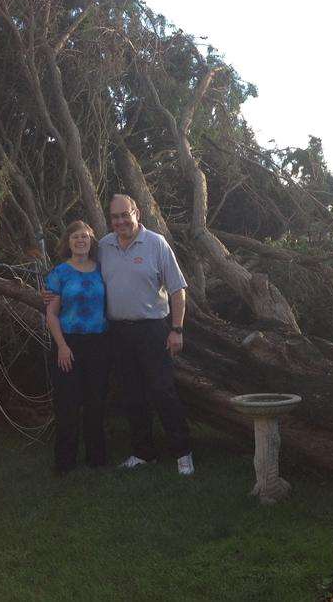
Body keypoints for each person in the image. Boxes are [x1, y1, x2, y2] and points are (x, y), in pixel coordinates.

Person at [100, 194, 194, 476]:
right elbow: (82, 272)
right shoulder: (104, 246)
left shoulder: (156, 244)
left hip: (153, 330)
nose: (120, 222)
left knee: (163, 391)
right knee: (132, 395)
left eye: (124, 215)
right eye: (114, 217)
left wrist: (176, 329)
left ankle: (183, 453)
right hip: (118, 332)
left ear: (136, 213)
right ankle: (144, 453)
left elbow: (177, 289)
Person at [44, 220, 111, 476]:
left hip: (99, 343)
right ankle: (65, 462)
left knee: (96, 402)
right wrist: (61, 346)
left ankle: (97, 458)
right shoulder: (59, 273)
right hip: (68, 344)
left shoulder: (102, 271)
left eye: (84, 237)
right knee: (67, 404)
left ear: (91, 241)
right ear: (68, 243)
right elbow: (51, 313)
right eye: (75, 237)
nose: (80, 241)